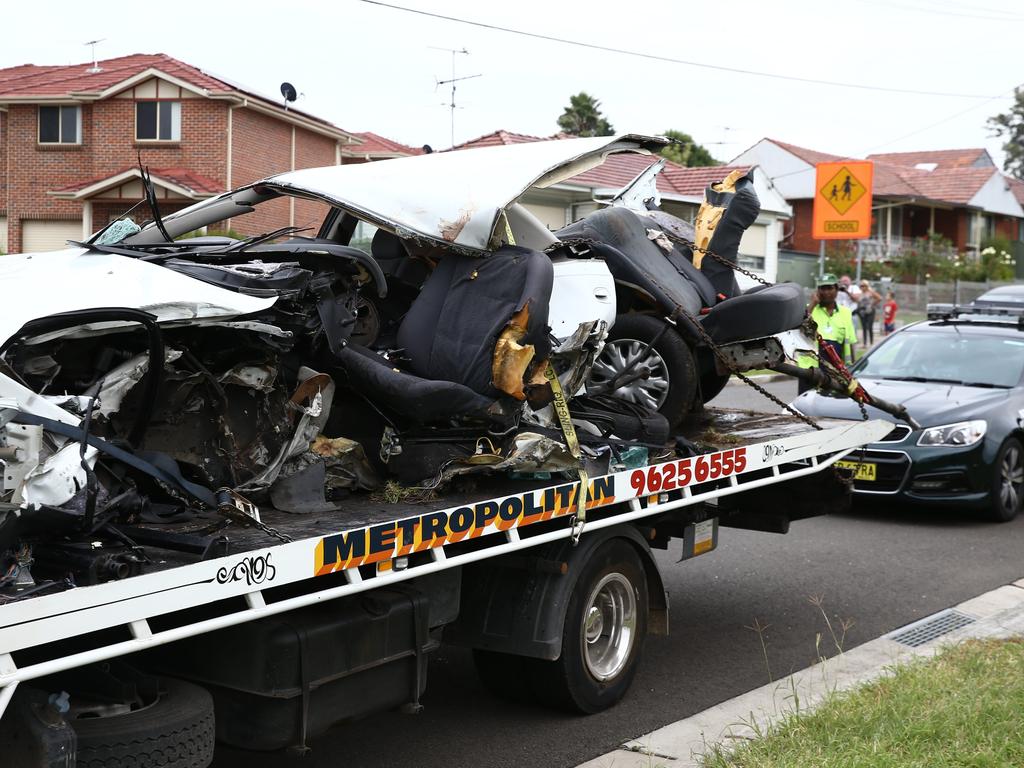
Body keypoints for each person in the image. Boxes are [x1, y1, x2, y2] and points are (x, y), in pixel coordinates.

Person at [798, 274, 858, 394]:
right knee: (807, 407)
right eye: (822, 288)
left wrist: (852, 371)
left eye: (829, 288)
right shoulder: (809, 309)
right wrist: (813, 304)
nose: (826, 292)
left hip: (836, 372)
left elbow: (850, 343)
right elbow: (799, 329)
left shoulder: (845, 313)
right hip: (811, 371)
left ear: (836, 290)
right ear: (817, 291)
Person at [857, 279, 882, 346]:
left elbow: (879, 298)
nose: (862, 287)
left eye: (864, 286)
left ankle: (871, 343)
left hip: (870, 311)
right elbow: (858, 302)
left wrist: (872, 304)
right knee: (864, 327)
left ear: (867, 286)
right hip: (863, 312)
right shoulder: (860, 294)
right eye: (861, 286)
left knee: (870, 326)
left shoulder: (871, 292)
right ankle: (864, 343)